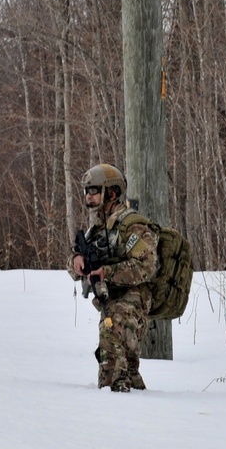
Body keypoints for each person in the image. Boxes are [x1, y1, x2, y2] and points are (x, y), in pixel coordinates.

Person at [68, 163, 159, 392]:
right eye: (87, 190)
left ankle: (111, 400)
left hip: (133, 298)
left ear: (111, 192)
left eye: (94, 190)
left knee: (111, 343)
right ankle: (132, 399)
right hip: (112, 299)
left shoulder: (133, 224)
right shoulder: (97, 228)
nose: (88, 195)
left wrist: (108, 272)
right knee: (125, 365)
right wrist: (76, 261)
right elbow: (76, 263)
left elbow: (147, 267)